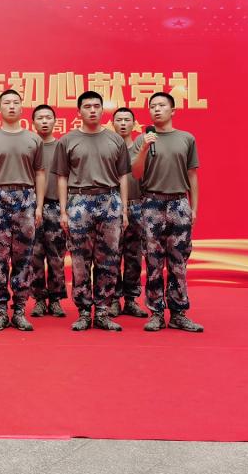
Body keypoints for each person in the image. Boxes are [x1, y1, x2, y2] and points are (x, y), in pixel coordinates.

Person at [54, 91, 129, 333]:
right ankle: (84, 312)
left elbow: (123, 177)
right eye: (87, 106)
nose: (93, 110)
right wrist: (64, 211)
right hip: (79, 201)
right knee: (80, 260)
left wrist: (124, 209)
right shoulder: (67, 140)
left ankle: (104, 311)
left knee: (108, 258)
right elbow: (62, 177)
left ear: (103, 110)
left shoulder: (115, 140)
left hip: (109, 200)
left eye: (97, 106)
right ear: (79, 111)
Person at [130, 91, 204, 333]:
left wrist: (193, 208)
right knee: (153, 260)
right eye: (152, 106)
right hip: (151, 203)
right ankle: (156, 314)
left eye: (161, 105)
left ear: (173, 111)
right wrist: (144, 148)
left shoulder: (186, 138)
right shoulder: (143, 140)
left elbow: (192, 175)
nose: (156, 109)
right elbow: (136, 173)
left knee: (178, 261)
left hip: (179, 204)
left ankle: (179, 313)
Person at [0, 90, 45, 331]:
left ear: (22, 108)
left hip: (25, 198)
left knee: (24, 257)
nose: (11, 106)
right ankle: (1, 310)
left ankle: (20, 310)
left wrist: (39, 205)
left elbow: (40, 173)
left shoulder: (34, 139)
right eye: (7, 103)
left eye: (16, 102)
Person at [28, 103, 68, 318]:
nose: (44, 121)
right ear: (33, 122)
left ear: (55, 121)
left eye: (48, 118)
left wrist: (64, 209)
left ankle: (55, 299)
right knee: (34, 256)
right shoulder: (28, 145)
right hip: (31, 207)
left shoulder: (63, 146)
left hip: (56, 205)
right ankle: (39, 299)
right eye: (40, 118)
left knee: (56, 256)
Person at [110, 107, 149, 319]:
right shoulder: (109, 148)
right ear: (112, 123)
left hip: (138, 205)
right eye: (119, 120)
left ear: (134, 124)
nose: (123, 123)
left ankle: (131, 300)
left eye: (127, 120)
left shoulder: (142, 147)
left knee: (134, 255)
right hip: (113, 206)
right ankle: (114, 299)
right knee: (112, 254)